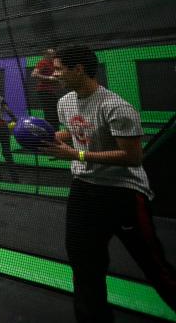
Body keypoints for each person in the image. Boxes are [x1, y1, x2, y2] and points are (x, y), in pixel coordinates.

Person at [46, 45, 176, 322]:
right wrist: (52, 136)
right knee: (84, 264)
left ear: (78, 70)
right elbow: (75, 131)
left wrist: (77, 154)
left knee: (154, 265)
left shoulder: (115, 106)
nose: (53, 74)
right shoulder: (65, 102)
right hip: (84, 189)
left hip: (123, 194)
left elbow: (132, 157)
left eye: (58, 69)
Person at [32, 47, 62, 131]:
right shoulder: (43, 62)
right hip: (44, 91)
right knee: (50, 114)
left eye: (53, 53)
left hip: (51, 91)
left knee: (55, 113)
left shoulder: (53, 64)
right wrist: (49, 78)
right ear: (46, 55)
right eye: (50, 54)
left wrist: (58, 81)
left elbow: (55, 78)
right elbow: (34, 74)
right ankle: (51, 132)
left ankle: (55, 131)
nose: (53, 55)